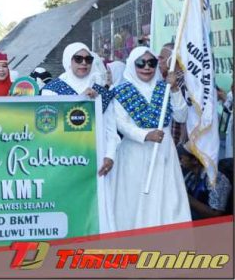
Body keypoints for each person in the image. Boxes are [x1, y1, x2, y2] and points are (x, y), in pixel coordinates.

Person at [111, 47, 191, 231]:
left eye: (152, 63)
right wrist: (145, 135)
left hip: (163, 153)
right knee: (134, 200)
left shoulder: (165, 88)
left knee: (168, 201)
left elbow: (181, 116)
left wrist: (175, 90)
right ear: (132, 65)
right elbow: (120, 123)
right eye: (141, 63)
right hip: (135, 153)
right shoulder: (120, 90)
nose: (146, 67)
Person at [42, 43, 119, 177]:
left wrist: (110, 155)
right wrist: (80, 100)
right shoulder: (51, 90)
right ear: (68, 60)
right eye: (78, 59)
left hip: (98, 158)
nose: (84, 63)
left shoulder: (100, 91)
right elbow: (48, 125)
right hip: (64, 158)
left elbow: (111, 128)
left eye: (88, 59)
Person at [178, 145, 232, 220]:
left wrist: (186, 197)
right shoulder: (191, 176)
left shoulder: (216, 178)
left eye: (181, 158)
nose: (179, 161)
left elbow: (215, 214)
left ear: (195, 161)